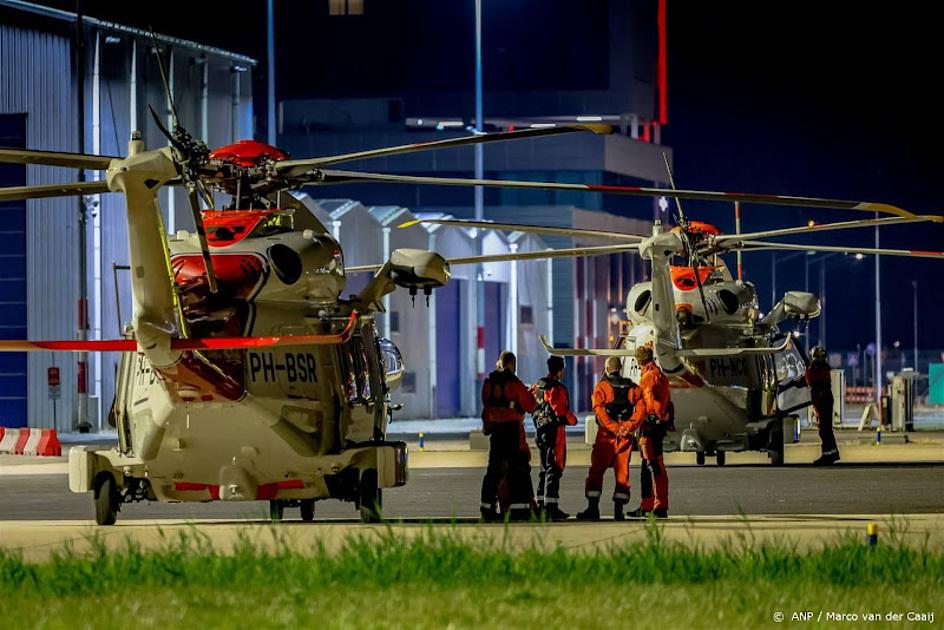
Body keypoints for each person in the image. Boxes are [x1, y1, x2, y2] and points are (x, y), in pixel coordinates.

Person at [577, 357, 642, 521]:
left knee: (596, 471)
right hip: (625, 436)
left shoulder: (602, 387)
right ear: (619, 369)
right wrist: (628, 426)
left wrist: (614, 427)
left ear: (606, 369)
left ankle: (593, 509)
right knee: (622, 474)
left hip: (606, 436)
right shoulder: (632, 387)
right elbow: (641, 409)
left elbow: (599, 411)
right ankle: (618, 511)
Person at [480, 351, 538, 521]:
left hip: (496, 431)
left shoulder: (489, 384)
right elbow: (530, 405)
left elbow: (486, 405)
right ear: (512, 364)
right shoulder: (515, 384)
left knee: (493, 471)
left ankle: (487, 508)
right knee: (516, 470)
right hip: (512, 432)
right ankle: (518, 510)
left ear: (499, 363)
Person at [531, 355, 578, 520]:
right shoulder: (557, 389)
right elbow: (560, 411)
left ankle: (541, 505)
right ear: (560, 370)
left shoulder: (538, 386)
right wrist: (573, 420)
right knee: (554, 468)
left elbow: (531, 405)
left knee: (543, 468)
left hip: (539, 431)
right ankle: (552, 507)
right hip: (554, 433)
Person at [628, 346, 672, 519]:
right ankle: (651, 505)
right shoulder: (660, 375)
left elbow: (649, 403)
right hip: (658, 427)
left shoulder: (647, 377)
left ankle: (657, 506)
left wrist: (635, 422)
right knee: (652, 466)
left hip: (649, 428)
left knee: (652, 467)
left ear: (639, 361)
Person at [807, 346, 840, 465]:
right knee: (826, 429)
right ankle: (833, 453)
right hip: (823, 399)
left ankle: (827, 455)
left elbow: (811, 381)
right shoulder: (821, 368)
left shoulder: (817, 368)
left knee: (824, 430)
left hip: (822, 400)